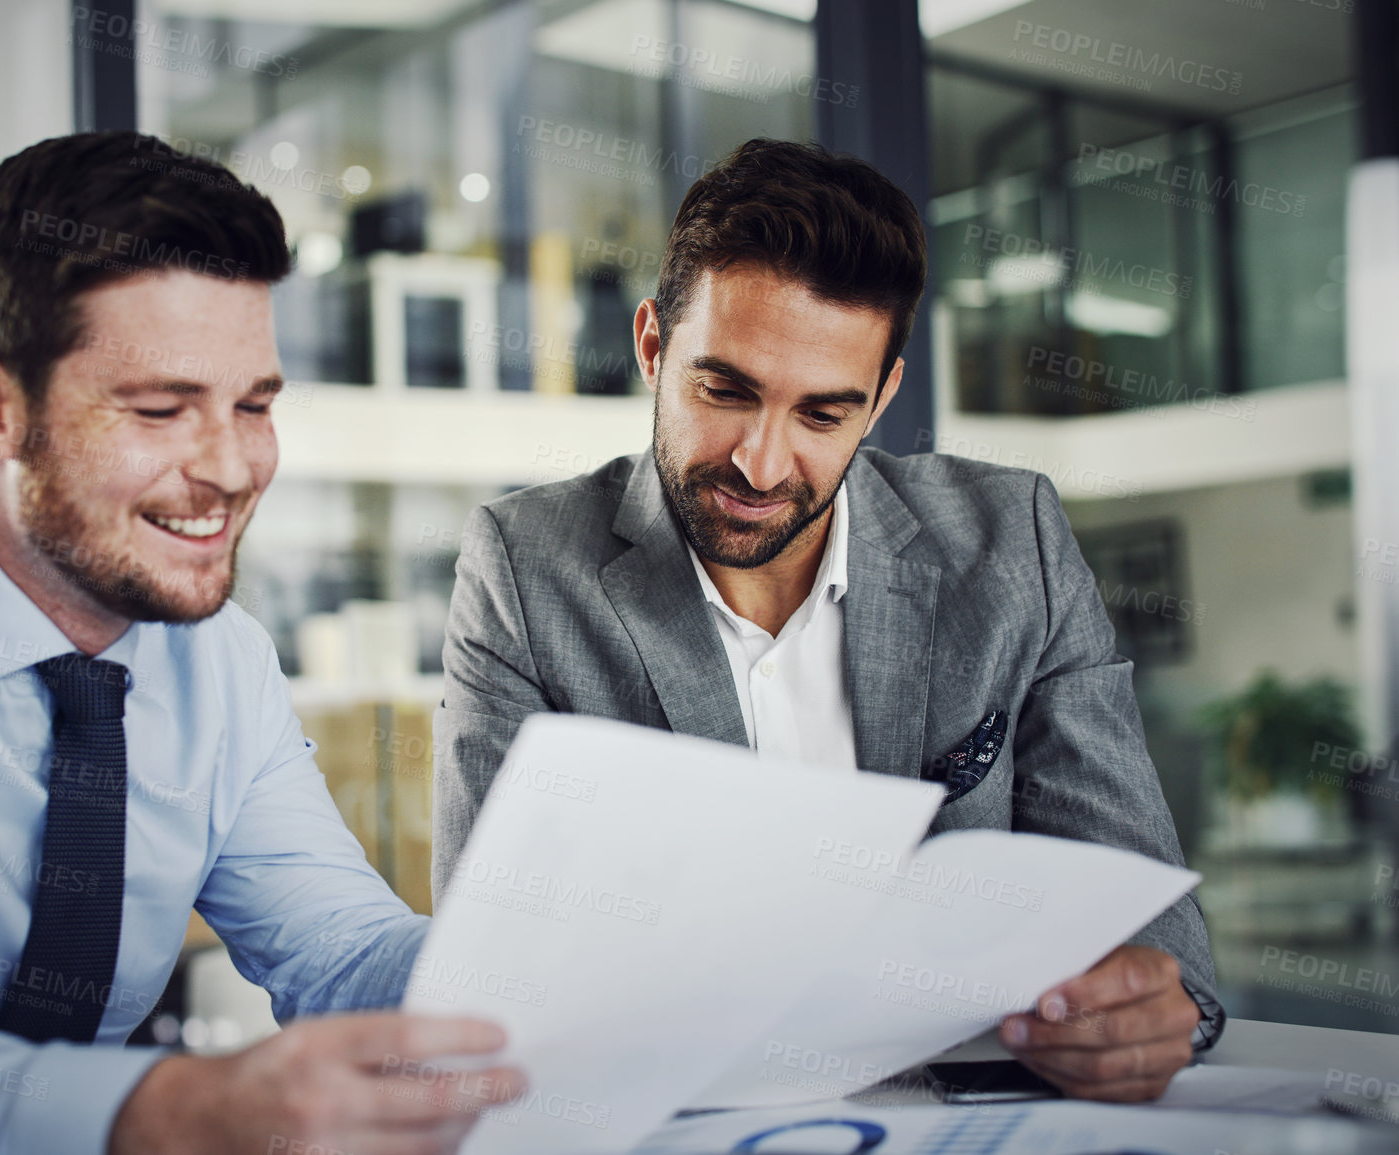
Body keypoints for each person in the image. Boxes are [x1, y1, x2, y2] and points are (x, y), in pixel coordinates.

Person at [0, 131, 523, 1155]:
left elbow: (338, 950)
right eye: (161, 409)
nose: (231, 467)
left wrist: (533, 985)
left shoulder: (222, 659)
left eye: (253, 405)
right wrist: (170, 1112)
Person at [433, 137, 1223, 1103]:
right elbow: (492, 974)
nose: (761, 466)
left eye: (821, 414)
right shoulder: (526, 570)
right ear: (650, 346)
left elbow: (1145, 910)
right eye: (723, 391)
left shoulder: (1010, 543)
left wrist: (1151, 1003)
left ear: (882, 398)